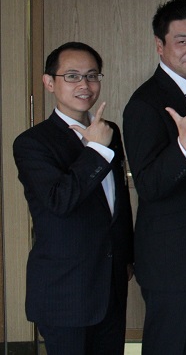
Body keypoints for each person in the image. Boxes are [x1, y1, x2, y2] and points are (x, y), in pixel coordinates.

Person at [13, 42, 134, 355]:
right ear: (49, 82)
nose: (84, 85)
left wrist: (127, 256)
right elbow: (60, 200)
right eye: (72, 76)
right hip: (64, 289)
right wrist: (96, 150)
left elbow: (116, 200)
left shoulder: (109, 131)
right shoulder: (32, 143)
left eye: (92, 76)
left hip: (110, 283)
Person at [123, 0, 186, 355]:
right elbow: (148, 185)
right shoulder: (144, 104)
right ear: (160, 45)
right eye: (182, 40)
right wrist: (184, 145)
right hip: (171, 261)